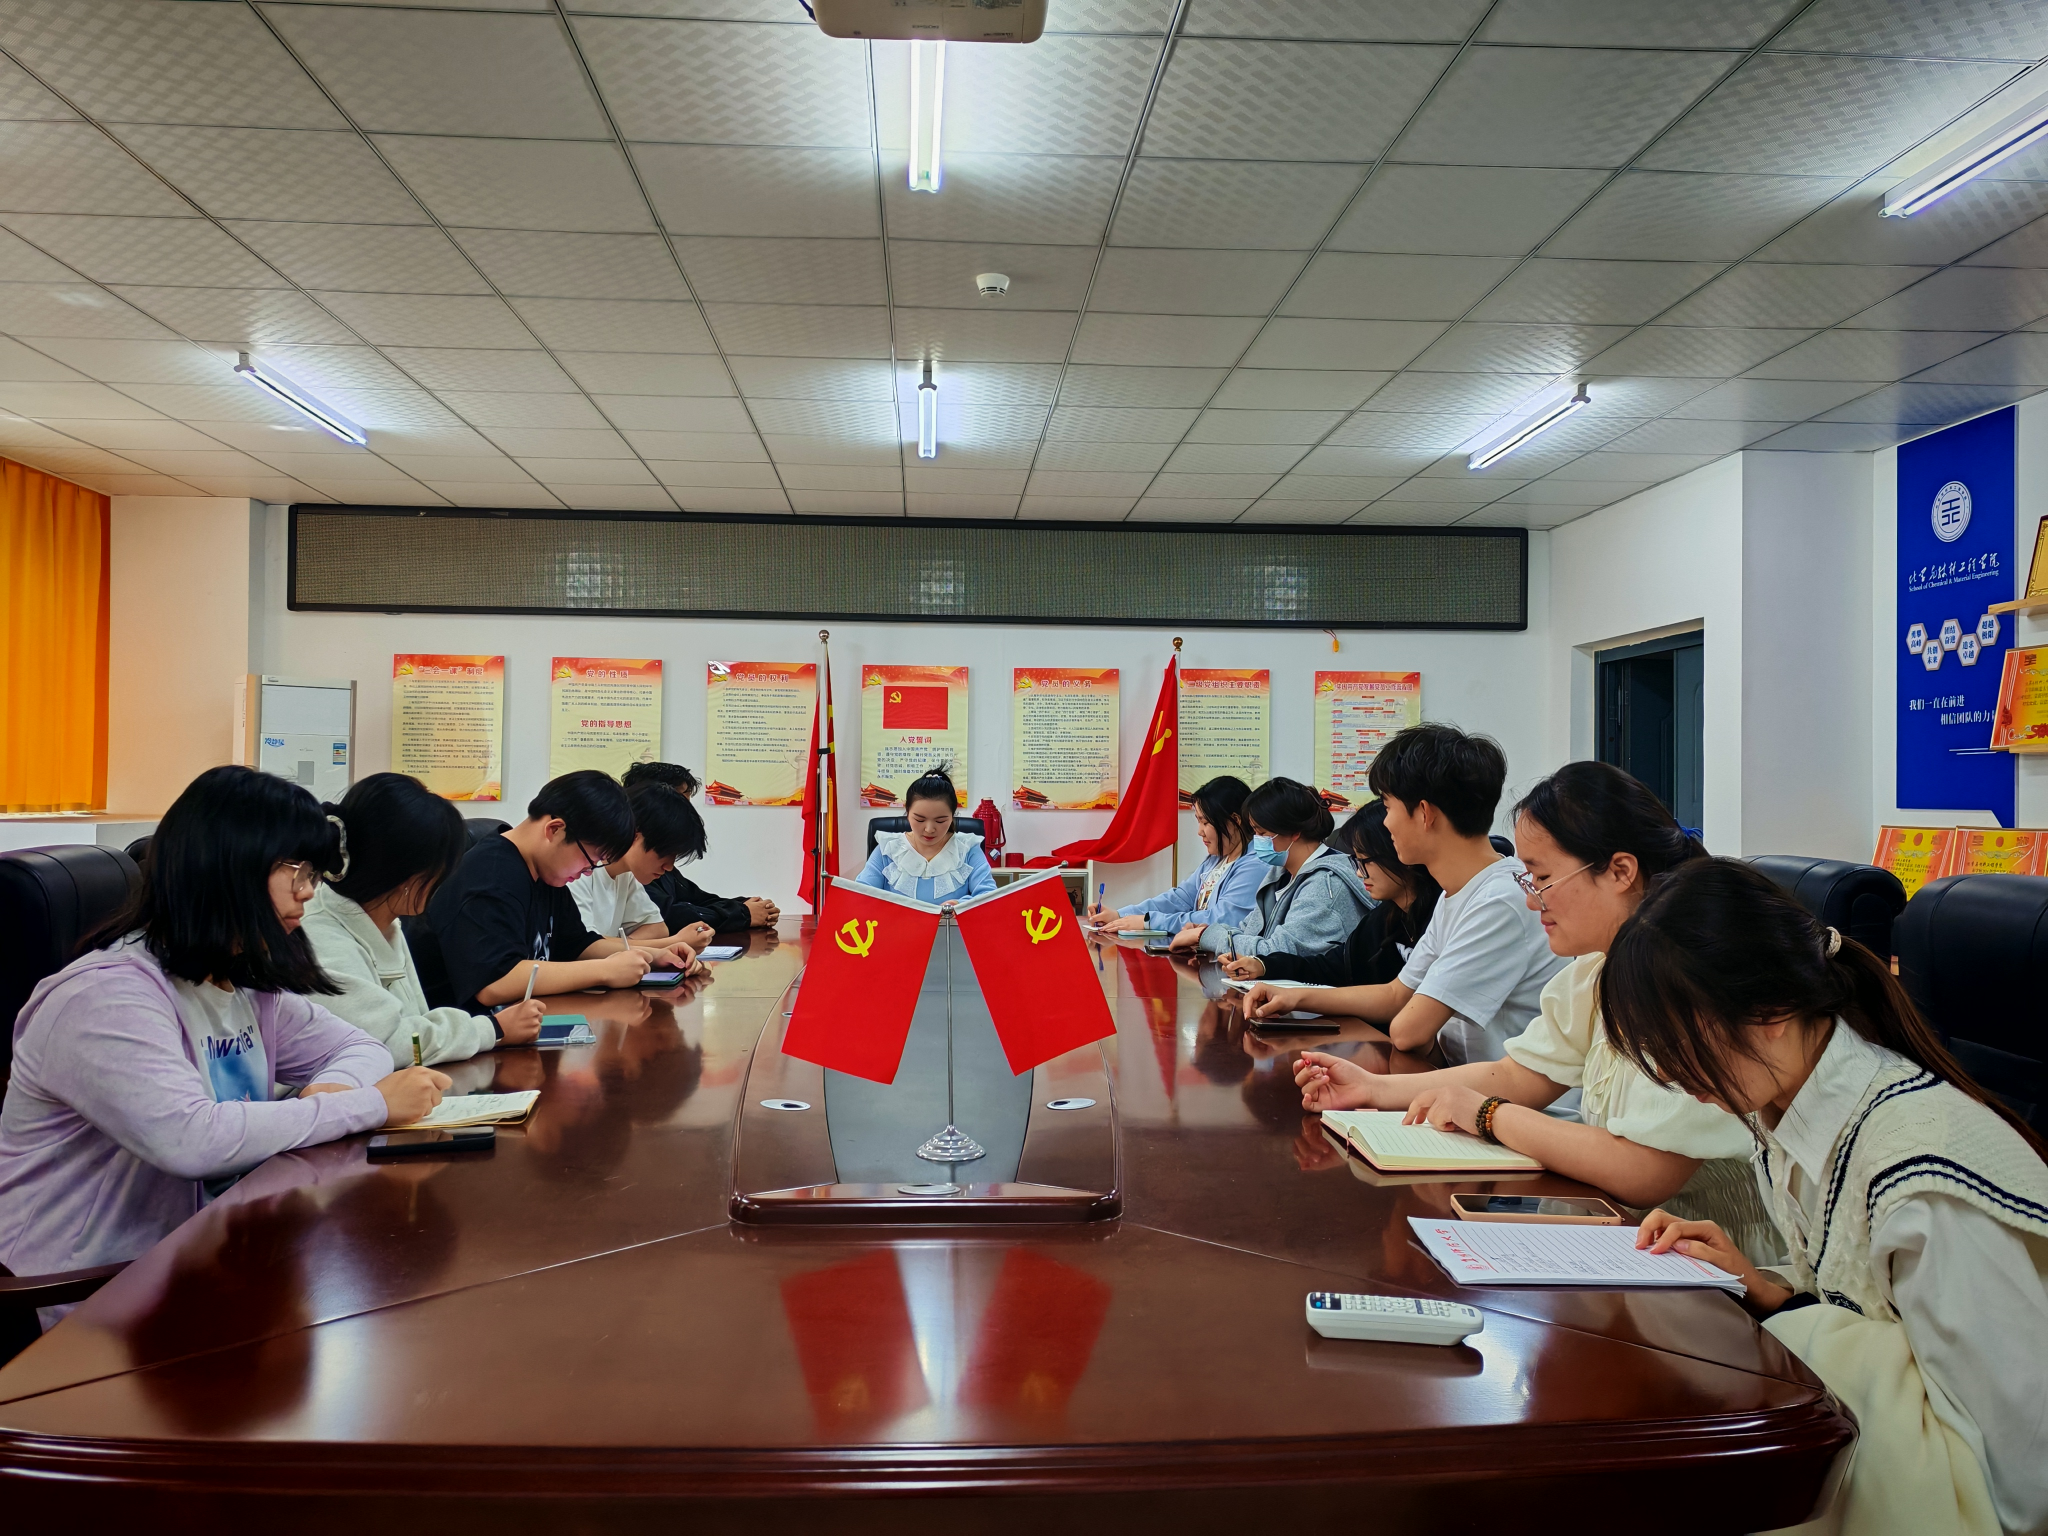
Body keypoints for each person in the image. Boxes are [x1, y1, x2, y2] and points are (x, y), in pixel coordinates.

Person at [1608, 859, 2048, 1536]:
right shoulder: (1784, 1112)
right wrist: (1770, 1289)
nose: (1667, 1070)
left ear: (1770, 1010)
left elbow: (2022, 1479)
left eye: (1677, 1039)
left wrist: (1802, 1329)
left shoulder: (1921, 1180)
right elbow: (1863, 1302)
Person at [0, 765, 451, 1287]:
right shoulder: (106, 997)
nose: (308, 892)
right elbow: (191, 1140)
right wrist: (366, 1104)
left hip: (204, 1259)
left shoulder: (240, 982)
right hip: (86, 1293)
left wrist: (333, 1088)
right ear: (229, 867)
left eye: (312, 874)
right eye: (297, 870)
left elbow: (360, 1045)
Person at [1290, 762, 1757, 1214]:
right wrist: (1371, 1088)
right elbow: (1517, 1076)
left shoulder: (1686, 982)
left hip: (1707, 1243)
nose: (1532, 900)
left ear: (1620, 871)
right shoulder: (1594, 972)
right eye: (1528, 879)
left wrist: (1488, 1114)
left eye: (1543, 878)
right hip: (1625, 1224)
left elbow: (1644, 1171)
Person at [1246, 724, 1562, 1063]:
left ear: (1424, 814)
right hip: (1462, 1081)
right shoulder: (1457, 893)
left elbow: (1409, 1031)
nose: (1385, 823)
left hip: (1498, 1091)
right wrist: (1294, 997)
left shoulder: (1498, 901)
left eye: (1388, 806)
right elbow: (1396, 994)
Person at [302, 772, 547, 1069]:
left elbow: (415, 1024)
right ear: (409, 873)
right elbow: (387, 1044)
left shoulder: (386, 921)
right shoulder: (321, 936)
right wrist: (493, 1030)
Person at [408, 770, 699, 1015]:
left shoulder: (544, 874)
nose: (588, 871)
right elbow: (494, 982)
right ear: (555, 830)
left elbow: (577, 944)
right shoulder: (489, 875)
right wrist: (606, 971)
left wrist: (654, 955)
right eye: (591, 859)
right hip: (463, 1039)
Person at [1223, 798, 1439, 988]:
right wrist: (1264, 965)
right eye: (1356, 861)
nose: (1358, 872)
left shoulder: (1439, 917)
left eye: (1364, 861)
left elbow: (1393, 998)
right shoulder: (1384, 918)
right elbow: (1333, 966)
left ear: (1396, 851)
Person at [1170, 777, 1369, 961]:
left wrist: (1205, 936)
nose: (1256, 841)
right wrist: (1208, 932)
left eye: (1262, 833)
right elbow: (1249, 931)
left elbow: (1276, 952)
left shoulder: (1326, 885)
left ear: (1294, 832)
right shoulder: (1280, 874)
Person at [1087, 775, 1262, 934]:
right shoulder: (1217, 859)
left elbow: (1219, 920)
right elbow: (1179, 899)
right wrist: (1120, 915)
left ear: (1235, 821)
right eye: (1198, 821)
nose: (1200, 832)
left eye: (1205, 822)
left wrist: (1149, 921)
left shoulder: (1255, 865)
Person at [623, 763, 779, 932]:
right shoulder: (622, 872)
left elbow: (696, 899)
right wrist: (742, 913)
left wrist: (744, 906)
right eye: (681, 802)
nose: (687, 813)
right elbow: (670, 917)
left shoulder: (649, 866)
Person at [571, 780, 716, 953]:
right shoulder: (578, 873)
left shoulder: (626, 874)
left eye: (675, 857)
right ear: (635, 836)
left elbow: (657, 928)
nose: (669, 867)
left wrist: (615, 946)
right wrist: (675, 942)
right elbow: (584, 947)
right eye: (663, 854)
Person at [854, 766, 996, 903]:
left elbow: (988, 896)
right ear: (907, 812)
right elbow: (861, 896)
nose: (929, 829)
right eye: (919, 820)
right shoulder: (888, 848)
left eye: (940, 821)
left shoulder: (967, 848)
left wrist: (959, 905)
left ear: (952, 815)